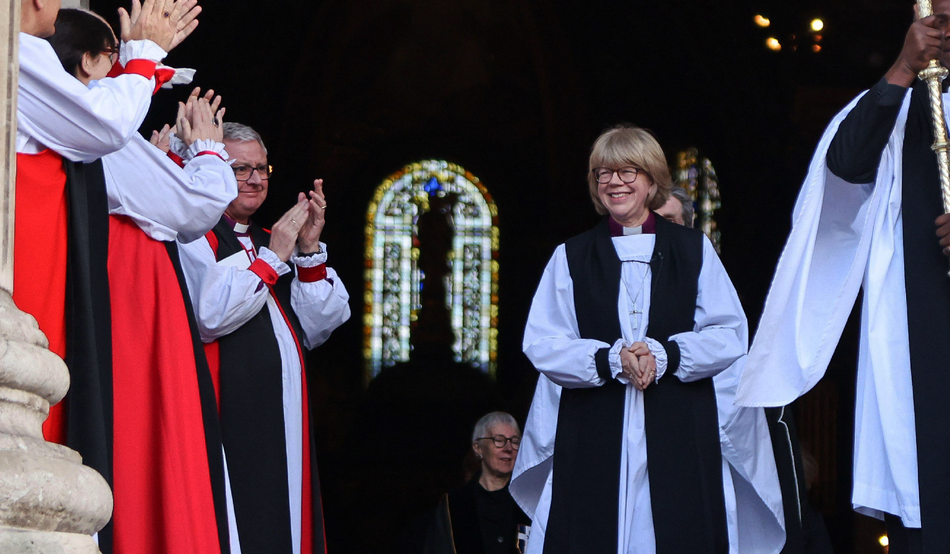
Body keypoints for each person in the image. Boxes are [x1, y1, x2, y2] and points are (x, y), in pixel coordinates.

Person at [735, 3, 950, 553]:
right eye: (938, 19)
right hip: (924, 328)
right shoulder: (904, 106)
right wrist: (903, 68)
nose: (943, 33)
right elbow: (844, 168)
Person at [511, 124, 776, 553]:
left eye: (628, 170)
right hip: (595, 423)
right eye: (604, 173)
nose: (615, 182)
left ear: (652, 178)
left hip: (679, 426)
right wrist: (610, 359)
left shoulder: (694, 250)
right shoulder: (572, 256)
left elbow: (729, 332)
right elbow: (543, 341)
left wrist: (665, 354)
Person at [45, 10, 237, 553]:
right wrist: (205, 150)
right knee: (145, 449)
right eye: (114, 58)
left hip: (108, 302)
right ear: (88, 63)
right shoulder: (93, 128)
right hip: (127, 314)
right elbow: (193, 206)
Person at [16, 0, 199, 444]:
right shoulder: (18, 51)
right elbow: (106, 126)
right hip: (29, 255)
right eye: (110, 56)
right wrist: (144, 58)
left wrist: (140, 64)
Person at [178, 122, 351, 554]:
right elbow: (211, 317)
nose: (255, 179)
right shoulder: (193, 234)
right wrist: (274, 256)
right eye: (240, 169)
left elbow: (319, 326)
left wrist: (308, 250)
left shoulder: (269, 239)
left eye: (262, 168)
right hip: (231, 411)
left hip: (283, 418)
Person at [425, 412, 531, 554]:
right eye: (499, 440)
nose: (508, 448)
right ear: (478, 448)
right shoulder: (455, 504)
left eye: (515, 441)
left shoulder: (529, 500)